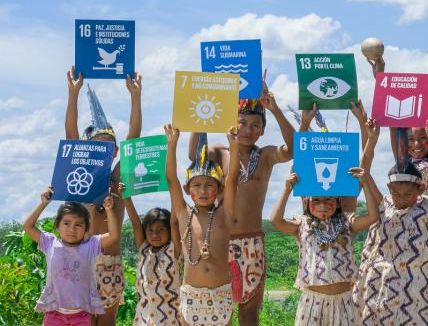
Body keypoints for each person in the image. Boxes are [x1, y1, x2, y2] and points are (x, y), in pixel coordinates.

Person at [187, 73, 296, 325]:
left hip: (253, 243)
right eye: (242, 122)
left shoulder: (266, 155)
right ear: (232, 122)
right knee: (221, 310)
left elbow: (292, 149)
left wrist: (275, 108)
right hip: (220, 241)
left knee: (249, 313)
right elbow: (194, 154)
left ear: (262, 130)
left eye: (255, 125)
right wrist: (202, 114)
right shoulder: (219, 152)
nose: (248, 130)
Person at [65, 67, 143, 326]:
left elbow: (134, 139)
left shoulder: (116, 181)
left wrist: (135, 97)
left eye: (107, 146)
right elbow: (71, 136)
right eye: (96, 145)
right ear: (86, 149)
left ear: (114, 151)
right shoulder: (81, 181)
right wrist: (73, 93)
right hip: (81, 261)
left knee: (106, 323)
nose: (102, 150)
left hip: (110, 262)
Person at [354, 120, 428, 325]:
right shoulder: (384, 204)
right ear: (389, 188)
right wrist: (371, 140)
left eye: (408, 193)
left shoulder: (426, 209)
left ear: (421, 190)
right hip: (381, 286)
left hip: (415, 290)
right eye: (396, 193)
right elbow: (364, 174)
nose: (401, 198)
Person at [268, 154, 379, 326]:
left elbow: (373, 216)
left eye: (328, 200)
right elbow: (275, 220)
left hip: (344, 302)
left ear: (338, 201)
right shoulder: (302, 225)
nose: (322, 205)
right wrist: (286, 190)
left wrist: (364, 183)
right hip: (312, 303)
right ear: (306, 201)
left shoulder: (347, 222)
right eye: (316, 200)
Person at [166, 125, 240, 325]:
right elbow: (171, 179)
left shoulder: (224, 214)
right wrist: (171, 145)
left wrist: (233, 146)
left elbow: (232, 179)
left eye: (209, 185)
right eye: (197, 185)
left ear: (219, 188)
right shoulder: (183, 214)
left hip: (221, 295)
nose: (203, 191)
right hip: (192, 296)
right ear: (187, 189)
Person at [22, 187, 121, 326]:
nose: (71, 229)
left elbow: (114, 236)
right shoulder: (50, 243)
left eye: (78, 225)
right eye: (66, 223)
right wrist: (43, 203)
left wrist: (109, 210)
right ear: (57, 225)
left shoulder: (91, 245)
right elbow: (27, 226)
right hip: (54, 314)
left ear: (86, 228)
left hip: (82, 315)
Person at [121, 183, 184, 326]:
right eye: (150, 230)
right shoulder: (144, 249)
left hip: (170, 316)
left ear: (169, 231)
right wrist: (126, 197)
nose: (155, 234)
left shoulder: (173, 250)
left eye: (161, 229)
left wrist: (174, 192)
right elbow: (136, 223)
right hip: (144, 316)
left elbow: (174, 222)